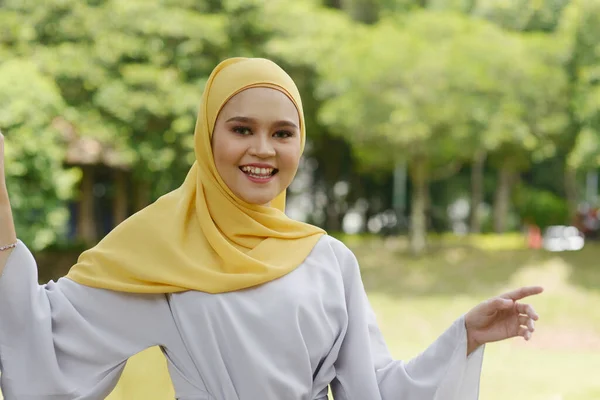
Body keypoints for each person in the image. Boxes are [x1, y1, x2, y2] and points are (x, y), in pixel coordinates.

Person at [0, 57, 543, 400]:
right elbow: (40, 340)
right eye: (241, 129)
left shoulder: (328, 260)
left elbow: (372, 389)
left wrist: (464, 337)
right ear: (209, 138)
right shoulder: (162, 248)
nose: (263, 150)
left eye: (282, 133)